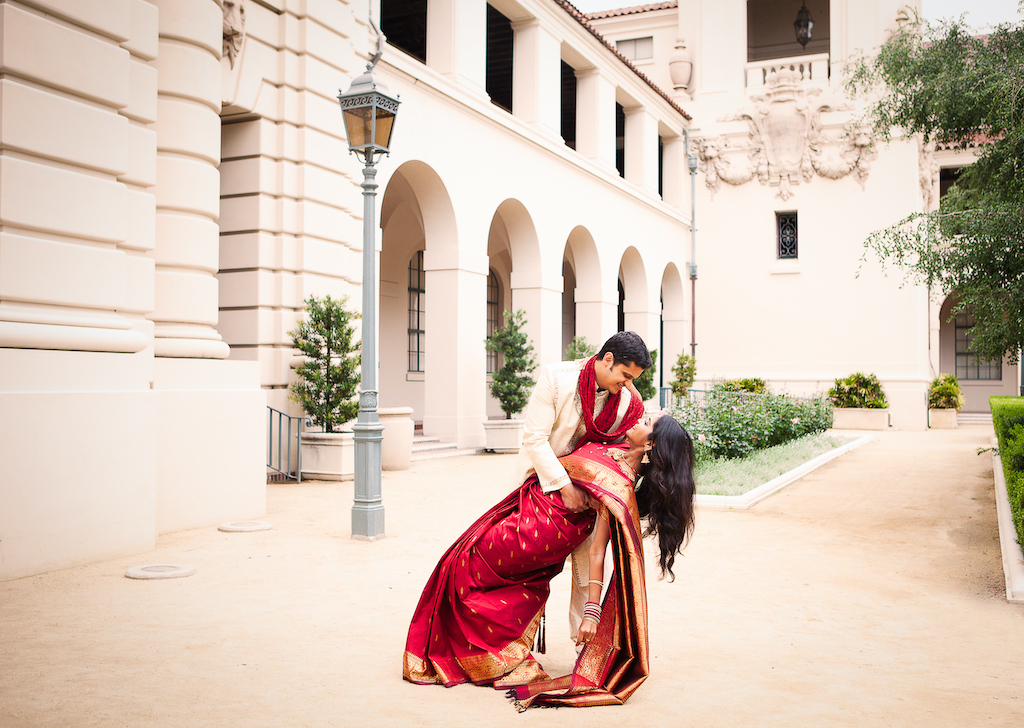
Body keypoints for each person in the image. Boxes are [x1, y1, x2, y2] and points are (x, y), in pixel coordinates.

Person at [402, 413, 696, 711]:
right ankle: (490, 657)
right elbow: (622, 398)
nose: (637, 419)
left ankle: (484, 656)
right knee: (467, 567)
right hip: (526, 509)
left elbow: (597, 551)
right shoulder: (617, 444)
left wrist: (592, 613)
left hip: (539, 534)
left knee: (468, 566)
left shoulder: (619, 487)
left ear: (650, 444)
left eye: (645, 423)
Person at [512, 331, 652, 639]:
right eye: (626, 376)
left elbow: (631, 445)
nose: (628, 384)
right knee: (530, 569)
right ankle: (516, 644)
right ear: (608, 359)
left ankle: (584, 648)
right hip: (543, 485)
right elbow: (534, 440)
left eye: (633, 379)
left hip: (589, 496)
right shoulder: (557, 378)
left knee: (588, 571)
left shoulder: (626, 400)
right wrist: (564, 486)